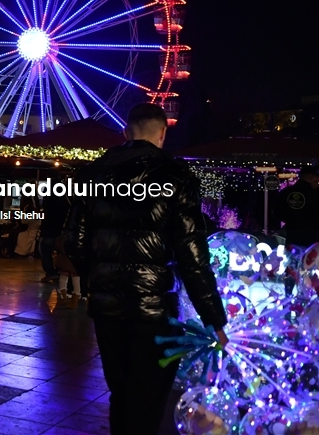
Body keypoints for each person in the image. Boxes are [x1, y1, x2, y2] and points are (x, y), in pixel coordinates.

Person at [67, 103, 227, 435]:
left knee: (121, 392)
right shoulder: (177, 176)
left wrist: (101, 278)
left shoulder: (93, 174)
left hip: (107, 307)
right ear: (163, 132)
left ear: (126, 132)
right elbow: (193, 255)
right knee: (149, 398)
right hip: (156, 310)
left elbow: (74, 242)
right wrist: (214, 318)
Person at [277, 166, 319, 246]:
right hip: (317, 241)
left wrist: (293, 221)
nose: (318, 182)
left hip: (293, 239)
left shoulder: (286, 193)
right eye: (316, 180)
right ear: (312, 178)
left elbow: (277, 213)